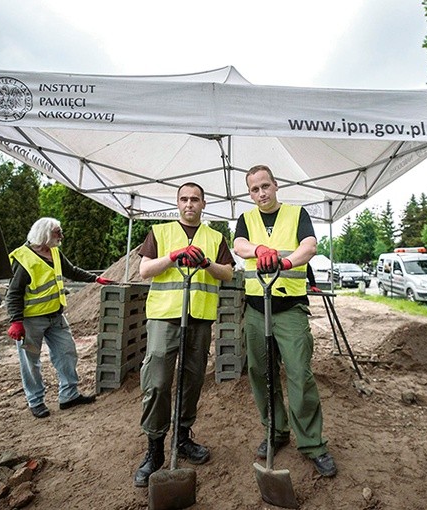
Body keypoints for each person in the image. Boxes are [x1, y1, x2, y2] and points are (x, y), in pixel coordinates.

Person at [233, 164, 337, 477]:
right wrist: (259, 249)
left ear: (276, 185)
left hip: (289, 309)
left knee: (299, 374)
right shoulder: (246, 219)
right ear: (250, 193)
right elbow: (238, 246)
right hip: (255, 310)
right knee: (261, 374)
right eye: (254, 189)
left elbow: (310, 245)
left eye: (265, 186)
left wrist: (287, 261)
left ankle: (312, 443)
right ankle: (275, 432)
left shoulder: (296, 214)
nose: (261, 193)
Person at [133, 182, 235, 488]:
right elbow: (145, 270)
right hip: (165, 316)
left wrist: (206, 262)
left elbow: (228, 273)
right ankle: (154, 450)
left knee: (192, 380)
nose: (189, 204)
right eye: (184, 199)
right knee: (158, 381)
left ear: (204, 204)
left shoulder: (215, 237)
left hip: (200, 317)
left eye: (195, 199)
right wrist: (174, 256)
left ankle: (182, 438)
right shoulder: (160, 232)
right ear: (177, 203)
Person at [6, 217, 113, 419]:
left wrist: (95, 278)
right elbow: (14, 293)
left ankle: (69, 396)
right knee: (31, 362)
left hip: (56, 315)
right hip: (31, 320)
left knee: (67, 353)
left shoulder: (54, 251)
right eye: (58, 232)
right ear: (45, 234)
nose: (61, 236)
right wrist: (16, 321)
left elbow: (71, 271)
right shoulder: (23, 258)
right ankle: (36, 401)